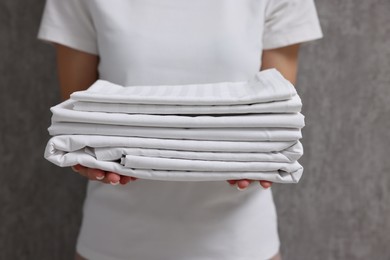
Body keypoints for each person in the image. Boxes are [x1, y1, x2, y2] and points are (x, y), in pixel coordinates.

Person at [38, 1, 322, 259]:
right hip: (113, 241)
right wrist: (83, 156)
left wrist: (265, 158)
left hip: (242, 243)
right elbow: (76, 119)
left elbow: (278, 112)